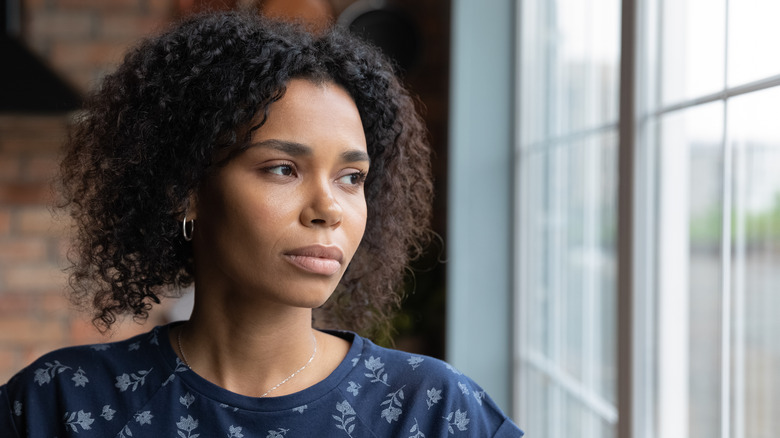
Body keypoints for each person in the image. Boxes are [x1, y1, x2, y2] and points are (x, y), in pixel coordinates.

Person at [0, 12, 523, 437]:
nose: (329, 208)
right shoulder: (60, 403)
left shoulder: (432, 411)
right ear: (186, 191)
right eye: (282, 169)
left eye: (351, 177)